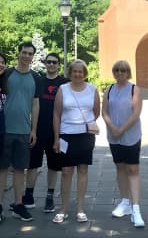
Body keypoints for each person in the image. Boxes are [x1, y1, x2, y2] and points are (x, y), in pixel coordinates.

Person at [0, 41, 40, 222]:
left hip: (24, 130)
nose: (27, 56)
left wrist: (33, 129)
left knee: (20, 169)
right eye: (24, 52)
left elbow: (35, 105)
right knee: (2, 168)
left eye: (30, 53)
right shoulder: (7, 73)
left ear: (32, 57)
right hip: (4, 129)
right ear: (18, 53)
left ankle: (18, 204)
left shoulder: (36, 77)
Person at [20, 53, 69, 214]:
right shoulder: (37, 81)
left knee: (54, 166)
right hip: (37, 130)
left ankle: (49, 197)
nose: (51, 64)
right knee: (33, 164)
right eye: (48, 62)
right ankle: (28, 195)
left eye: (54, 62)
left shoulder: (64, 83)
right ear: (45, 63)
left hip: (57, 132)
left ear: (59, 65)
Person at [52, 59, 100, 223]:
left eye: (81, 71)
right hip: (66, 135)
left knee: (83, 170)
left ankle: (80, 209)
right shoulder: (62, 89)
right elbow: (56, 115)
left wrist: (84, 123)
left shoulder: (92, 89)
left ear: (84, 73)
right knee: (66, 172)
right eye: (75, 71)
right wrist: (56, 138)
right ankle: (63, 208)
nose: (78, 74)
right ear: (70, 73)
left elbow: (96, 113)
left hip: (85, 136)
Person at [102, 60, 145, 228]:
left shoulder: (135, 89)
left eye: (123, 70)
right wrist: (113, 128)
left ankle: (136, 208)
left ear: (128, 72)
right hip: (114, 136)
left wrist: (122, 129)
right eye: (117, 70)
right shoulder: (110, 89)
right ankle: (125, 202)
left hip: (131, 136)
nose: (120, 73)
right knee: (120, 167)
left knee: (133, 169)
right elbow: (104, 111)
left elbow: (136, 113)